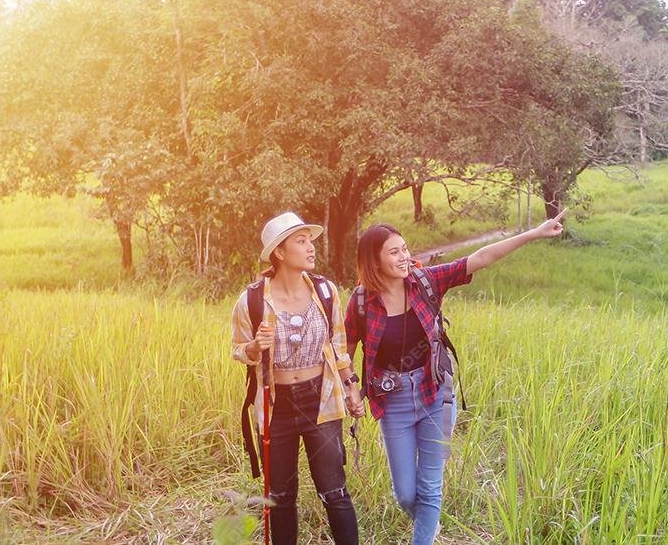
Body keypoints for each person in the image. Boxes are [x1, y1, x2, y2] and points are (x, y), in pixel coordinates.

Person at [344, 210, 567, 544]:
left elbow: (479, 258)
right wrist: (349, 386)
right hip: (392, 401)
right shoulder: (361, 302)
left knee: (430, 487)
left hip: (434, 392)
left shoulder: (425, 281)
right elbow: (344, 349)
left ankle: (424, 534)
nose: (405, 257)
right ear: (373, 260)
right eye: (394, 251)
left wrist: (532, 234)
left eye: (405, 248)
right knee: (405, 493)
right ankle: (428, 524)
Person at [231, 212, 365, 545]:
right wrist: (254, 345)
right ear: (279, 252)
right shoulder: (251, 300)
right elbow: (238, 350)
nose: (311, 248)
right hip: (277, 406)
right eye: (301, 241)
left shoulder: (325, 291)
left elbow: (338, 346)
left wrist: (351, 388)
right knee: (280, 496)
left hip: (320, 397)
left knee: (334, 490)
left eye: (310, 240)